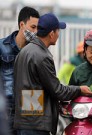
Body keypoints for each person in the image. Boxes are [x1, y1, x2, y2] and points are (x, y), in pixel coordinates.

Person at [13, 13, 92, 135]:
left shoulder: (24, 51)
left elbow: (30, 88)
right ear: (51, 33)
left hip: (24, 120)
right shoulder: (42, 56)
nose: (59, 35)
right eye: (58, 31)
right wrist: (79, 90)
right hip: (36, 124)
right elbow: (57, 90)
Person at [0, 6, 40, 135]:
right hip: (7, 107)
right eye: (33, 27)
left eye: (38, 28)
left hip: (29, 107)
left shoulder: (37, 51)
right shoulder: (2, 47)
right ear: (21, 24)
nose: (36, 32)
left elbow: (38, 82)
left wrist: (34, 113)